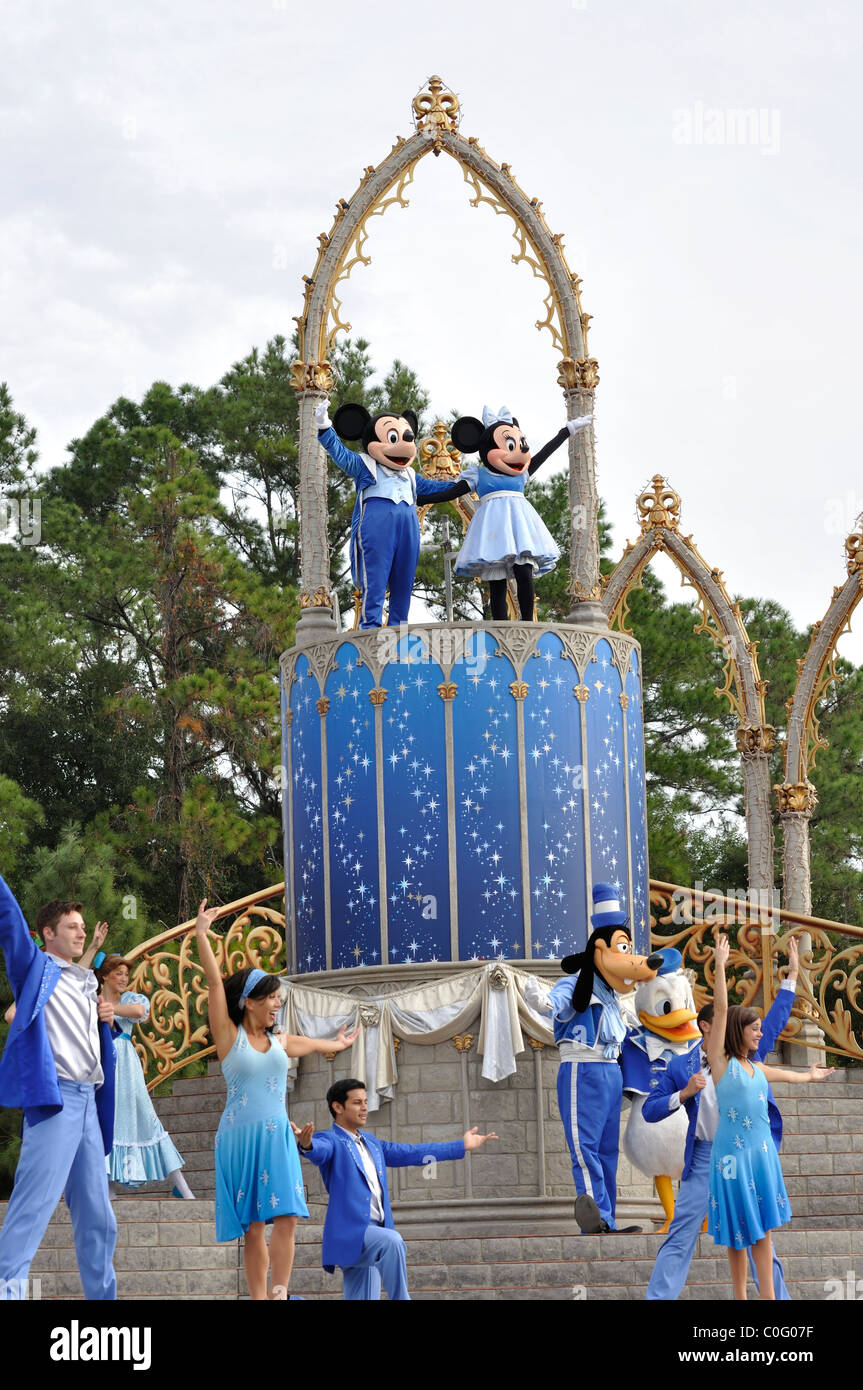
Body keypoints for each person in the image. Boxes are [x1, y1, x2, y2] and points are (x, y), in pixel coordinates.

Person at [194, 899, 360, 1300]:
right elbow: (216, 985)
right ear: (248, 1001)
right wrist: (200, 934)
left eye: (278, 999)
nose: (276, 1004)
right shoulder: (228, 1038)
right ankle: (257, 1298)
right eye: (269, 998)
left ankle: (280, 1291)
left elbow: (301, 1043)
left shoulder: (278, 1041)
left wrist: (332, 1044)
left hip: (277, 1137)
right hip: (239, 1137)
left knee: (287, 1216)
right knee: (254, 1225)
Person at [643, 936, 800, 1300]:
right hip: (704, 1158)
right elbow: (651, 1110)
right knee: (681, 1233)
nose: (735, 1024)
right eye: (726, 1018)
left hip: (745, 1154)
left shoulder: (747, 1058)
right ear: (706, 1027)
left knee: (761, 1234)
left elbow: (774, 1019)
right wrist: (683, 1094)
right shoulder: (681, 1066)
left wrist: (791, 977)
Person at [0, 878, 118, 1300]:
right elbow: (10, 922)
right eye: (71, 926)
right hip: (58, 1101)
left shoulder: (85, 982)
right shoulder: (37, 969)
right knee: (32, 1210)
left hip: (88, 1104)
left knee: (100, 1219)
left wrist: (107, 1019)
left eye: (82, 926)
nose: (81, 931)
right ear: (48, 934)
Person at [705, 935, 833, 1300]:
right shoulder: (720, 1064)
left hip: (761, 1159)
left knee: (762, 1231)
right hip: (732, 1159)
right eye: (755, 1029)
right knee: (737, 1232)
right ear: (738, 1032)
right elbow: (720, 1009)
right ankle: (741, 1297)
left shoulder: (757, 1067)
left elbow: (793, 1076)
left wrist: (811, 1076)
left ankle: (768, 1299)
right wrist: (719, 967)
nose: (761, 1033)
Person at [293, 1078, 498, 1300]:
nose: (364, 1108)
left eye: (365, 1101)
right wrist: (307, 1145)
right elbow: (320, 1150)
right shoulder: (330, 1139)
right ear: (338, 1107)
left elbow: (412, 1153)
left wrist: (461, 1145)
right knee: (392, 1242)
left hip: (373, 1235)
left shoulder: (372, 1143)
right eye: (357, 1102)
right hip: (352, 1233)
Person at [550, 881, 663, 1233]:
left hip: (610, 1073)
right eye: (621, 947)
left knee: (606, 1151)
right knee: (585, 1151)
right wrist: (541, 1003)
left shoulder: (614, 998)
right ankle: (594, 1219)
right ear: (601, 949)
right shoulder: (574, 983)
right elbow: (555, 1003)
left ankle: (608, 1219)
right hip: (582, 1068)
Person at [96, 953, 195, 1199]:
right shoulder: (91, 999)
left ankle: (182, 1186)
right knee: (107, 1122)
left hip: (126, 1067)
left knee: (149, 1119)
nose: (123, 978)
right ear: (105, 975)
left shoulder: (130, 999)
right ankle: (109, 1189)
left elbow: (139, 1011)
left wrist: (109, 1009)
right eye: (118, 973)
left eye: (126, 974)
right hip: (100, 1063)